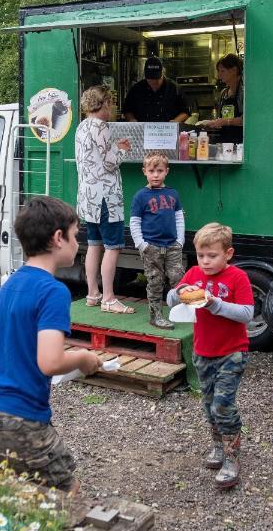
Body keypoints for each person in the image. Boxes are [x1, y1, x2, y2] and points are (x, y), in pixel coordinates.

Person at [0, 196, 101, 493]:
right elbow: (49, 362)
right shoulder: (53, 291)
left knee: (2, 495)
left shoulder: (9, 285)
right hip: (16, 418)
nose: (78, 243)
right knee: (66, 497)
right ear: (58, 238)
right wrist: (81, 357)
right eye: (76, 235)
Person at [166, 222, 254, 489]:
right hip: (203, 352)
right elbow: (170, 298)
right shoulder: (194, 273)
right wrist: (180, 293)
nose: (205, 262)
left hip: (232, 352)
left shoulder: (237, 277)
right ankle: (218, 446)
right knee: (208, 405)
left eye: (212, 256)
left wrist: (215, 303)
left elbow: (247, 314)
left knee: (223, 405)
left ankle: (232, 458)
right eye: (201, 256)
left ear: (228, 253)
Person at [75, 85, 135, 315]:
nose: (113, 107)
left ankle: (93, 293)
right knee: (113, 247)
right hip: (106, 197)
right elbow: (109, 163)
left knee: (93, 244)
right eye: (111, 102)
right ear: (104, 103)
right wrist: (123, 150)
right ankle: (109, 298)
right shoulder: (102, 127)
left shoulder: (82, 127)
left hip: (87, 196)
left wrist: (113, 149)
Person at [130, 153, 185, 330]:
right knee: (155, 281)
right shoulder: (140, 196)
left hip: (172, 246)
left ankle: (180, 311)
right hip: (151, 246)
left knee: (178, 278)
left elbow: (179, 218)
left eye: (159, 171)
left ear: (166, 172)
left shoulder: (173, 194)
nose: (155, 175)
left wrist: (180, 241)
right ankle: (156, 315)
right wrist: (141, 244)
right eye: (151, 171)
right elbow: (135, 222)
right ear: (144, 171)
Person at [123, 56, 190, 123]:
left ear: (162, 74)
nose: (153, 83)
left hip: (167, 131)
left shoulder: (174, 88)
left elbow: (185, 112)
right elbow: (127, 110)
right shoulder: (136, 89)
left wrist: (175, 122)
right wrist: (132, 120)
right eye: (150, 81)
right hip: (142, 130)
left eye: (156, 80)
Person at [201, 53, 244, 143]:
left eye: (222, 71)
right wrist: (214, 123)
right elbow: (222, 118)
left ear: (234, 70)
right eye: (218, 71)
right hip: (225, 142)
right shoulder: (224, 93)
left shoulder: (243, 92)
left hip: (241, 143)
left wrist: (225, 121)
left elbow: (247, 119)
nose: (219, 76)